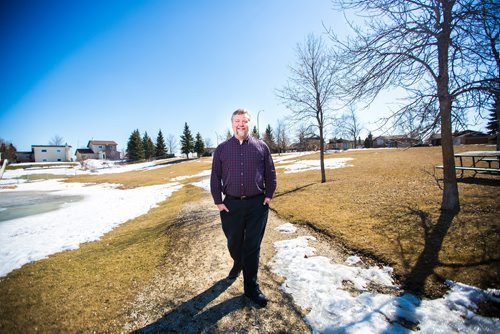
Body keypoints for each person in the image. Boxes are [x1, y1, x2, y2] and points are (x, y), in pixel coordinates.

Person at [210, 108, 277, 307]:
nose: (241, 124)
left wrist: (268, 195)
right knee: (234, 243)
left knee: (252, 246)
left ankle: (251, 288)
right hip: (231, 205)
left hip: (257, 204)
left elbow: (270, 173)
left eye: (244, 121)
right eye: (237, 121)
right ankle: (238, 262)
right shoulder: (222, 149)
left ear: (249, 123)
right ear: (232, 124)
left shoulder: (261, 147)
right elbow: (215, 177)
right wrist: (218, 201)